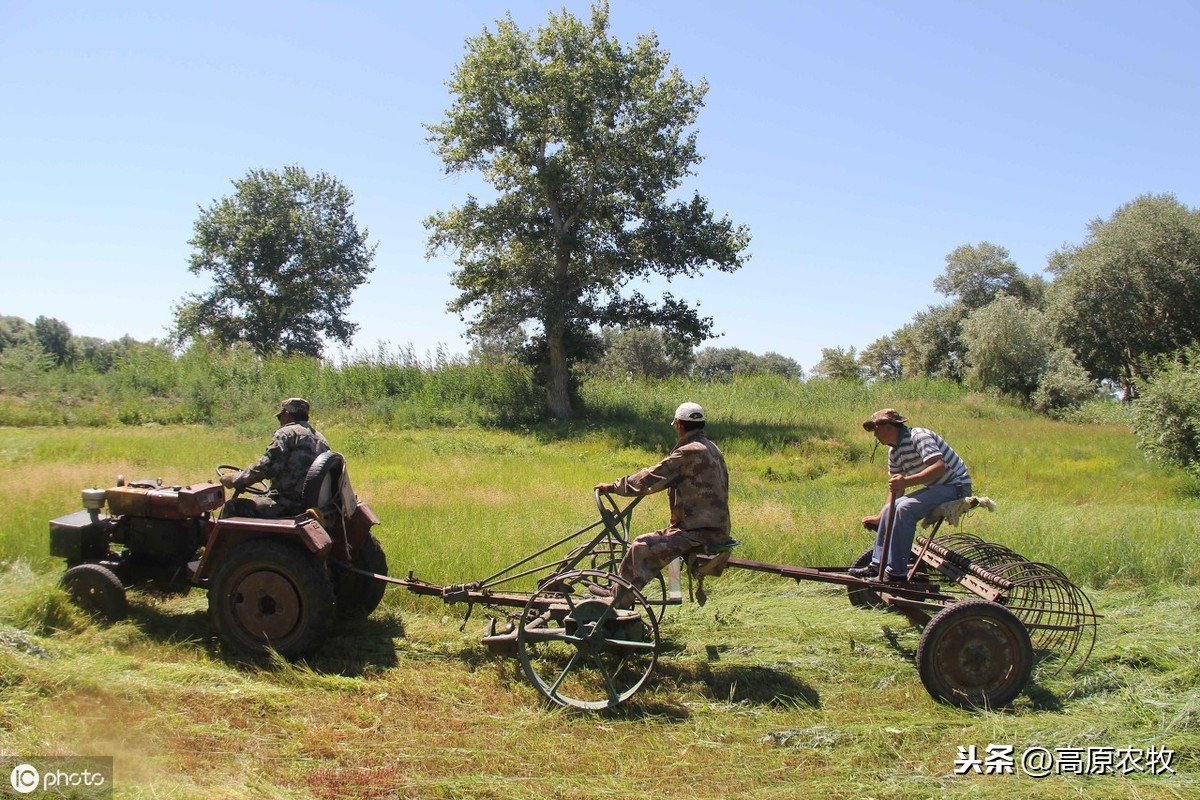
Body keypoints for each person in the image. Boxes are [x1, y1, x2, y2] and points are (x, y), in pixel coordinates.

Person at [593, 401, 732, 604]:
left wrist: (613, 487)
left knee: (640, 546)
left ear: (679, 425)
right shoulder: (712, 448)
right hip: (710, 529)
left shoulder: (689, 452)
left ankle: (618, 600)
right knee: (647, 542)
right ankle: (619, 592)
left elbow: (651, 478)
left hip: (699, 533)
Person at [851, 408, 972, 581]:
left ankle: (896, 574)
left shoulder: (919, 437)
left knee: (905, 509)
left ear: (889, 427)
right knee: (890, 510)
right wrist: (881, 516)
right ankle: (877, 566)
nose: (875, 435)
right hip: (937, 488)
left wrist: (906, 481)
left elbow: (939, 467)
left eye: (876, 429)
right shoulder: (894, 451)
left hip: (956, 486)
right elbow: (897, 489)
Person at [220, 397, 330, 518]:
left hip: (286, 505)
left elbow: (266, 467)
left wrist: (236, 479)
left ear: (286, 415)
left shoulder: (286, 433)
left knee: (231, 507)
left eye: (280, 417)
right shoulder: (322, 440)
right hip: (312, 506)